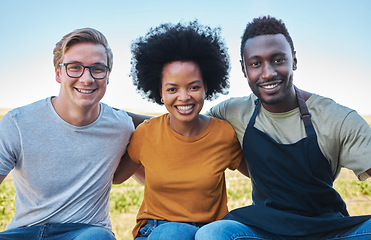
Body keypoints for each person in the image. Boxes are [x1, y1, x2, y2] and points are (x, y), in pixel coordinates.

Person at [194, 16, 371, 240]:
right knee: (212, 234)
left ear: (294, 61)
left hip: (328, 231)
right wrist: (134, 120)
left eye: (278, 60)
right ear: (244, 68)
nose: (267, 73)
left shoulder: (337, 118)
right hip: (263, 229)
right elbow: (182, 129)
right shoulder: (233, 112)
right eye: (255, 63)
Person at [0, 28, 141, 239]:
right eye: (75, 67)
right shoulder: (18, 123)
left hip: (86, 232)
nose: (87, 79)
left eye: (98, 69)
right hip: (24, 232)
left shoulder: (121, 127)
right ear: (58, 73)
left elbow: (159, 134)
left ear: (108, 76)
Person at [113, 20, 245, 240]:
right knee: (173, 232)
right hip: (156, 230)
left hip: (207, 232)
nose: (184, 97)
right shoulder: (146, 133)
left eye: (194, 87)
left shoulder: (225, 134)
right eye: (172, 89)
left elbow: (261, 176)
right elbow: (116, 177)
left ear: (206, 88)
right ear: (160, 93)